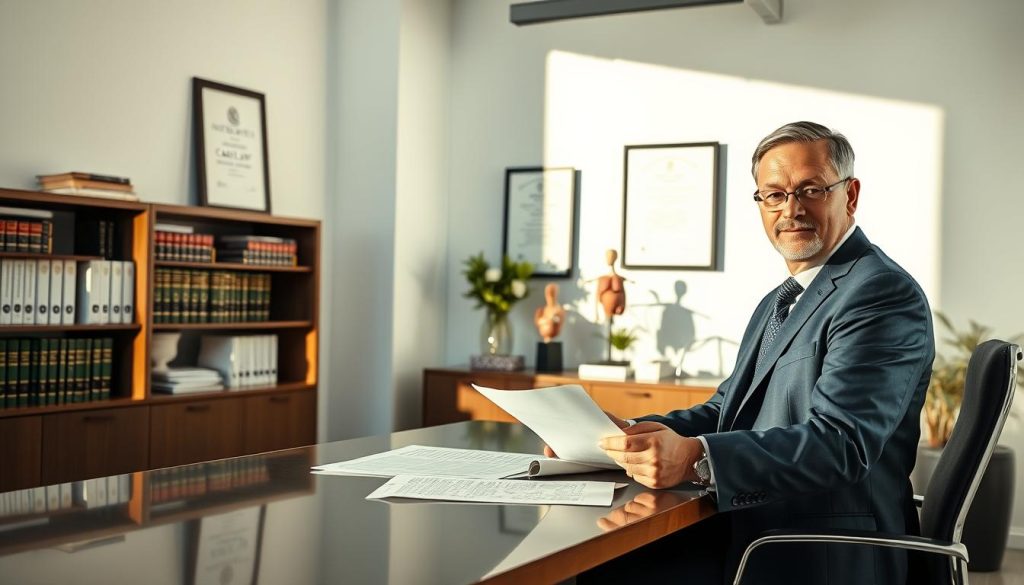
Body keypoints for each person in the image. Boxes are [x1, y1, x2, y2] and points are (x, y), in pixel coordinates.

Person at [566, 121, 935, 584]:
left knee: (598, 567)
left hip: (817, 547)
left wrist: (697, 456)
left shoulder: (878, 293)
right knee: (600, 562)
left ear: (851, 195)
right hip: (762, 524)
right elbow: (727, 409)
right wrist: (633, 435)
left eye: (810, 190)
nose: (791, 210)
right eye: (774, 195)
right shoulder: (782, 299)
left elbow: (840, 443)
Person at [596, 249, 627, 318]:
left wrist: (623, 304)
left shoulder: (619, 278)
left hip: (619, 306)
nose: (609, 259)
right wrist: (596, 313)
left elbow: (623, 292)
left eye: (611, 257)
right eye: (608, 257)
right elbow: (597, 294)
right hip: (606, 308)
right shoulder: (602, 278)